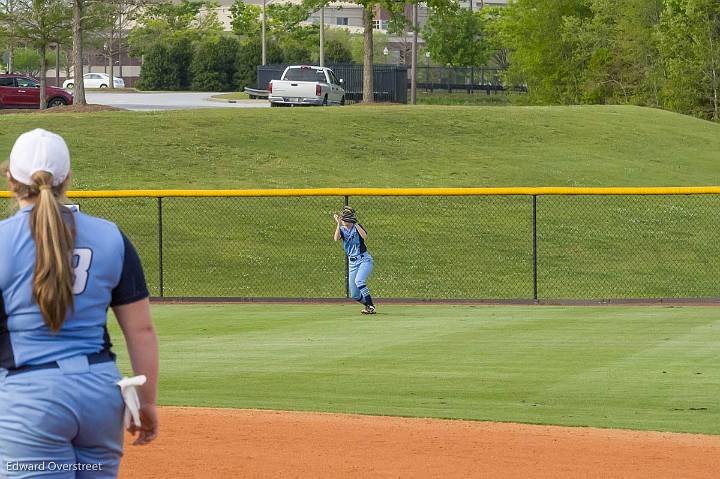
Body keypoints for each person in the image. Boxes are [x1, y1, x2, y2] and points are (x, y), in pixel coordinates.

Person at [0, 129, 159, 478]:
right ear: (67, 178)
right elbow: (141, 329)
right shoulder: (111, 236)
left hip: (31, 397)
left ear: (9, 178)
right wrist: (146, 402)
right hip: (99, 394)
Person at [334, 206, 376, 314]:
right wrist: (338, 224)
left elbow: (364, 236)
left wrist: (356, 223)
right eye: (342, 219)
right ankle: (367, 305)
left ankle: (371, 306)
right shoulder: (342, 229)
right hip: (352, 262)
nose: (343, 220)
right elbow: (336, 238)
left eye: (344, 219)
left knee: (359, 281)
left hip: (364, 259)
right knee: (355, 295)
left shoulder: (356, 227)